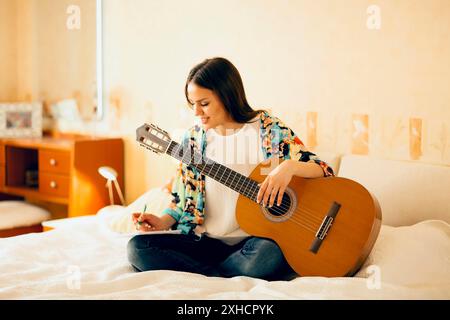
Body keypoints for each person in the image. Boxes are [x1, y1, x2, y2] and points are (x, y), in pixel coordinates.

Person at [127, 57, 334, 280]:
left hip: (255, 243)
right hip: (205, 242)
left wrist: (288, 167)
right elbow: (181, 200)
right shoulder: (193, 140)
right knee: (138, 248)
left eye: (204, 103)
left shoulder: (267, 130)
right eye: (192, 104)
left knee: (270, 255)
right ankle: (223, 274)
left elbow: (322, 169)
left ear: (227, 95)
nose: (196, 112)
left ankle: (209, 274)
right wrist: (162, 222)